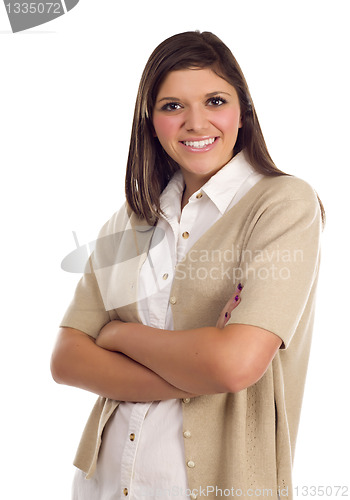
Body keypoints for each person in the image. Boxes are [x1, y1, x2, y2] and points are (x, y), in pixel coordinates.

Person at [51, 31, 324, 500]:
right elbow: (66, 358)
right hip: (105, 484)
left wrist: (118, 337)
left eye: (215, 100)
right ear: (150, 121)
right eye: (172, 106)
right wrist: (197, 365)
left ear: (244, 112)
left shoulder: (282, 204)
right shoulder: (134, 217)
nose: (196, 123)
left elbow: (234, 364)